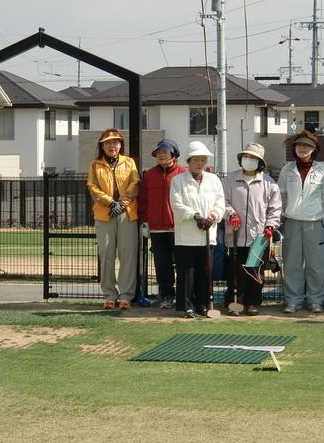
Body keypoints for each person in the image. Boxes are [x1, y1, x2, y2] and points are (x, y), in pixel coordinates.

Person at [222, 143, 282, 315]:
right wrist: (231, 213)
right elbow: (222, 201)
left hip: (259, 236)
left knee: (255, 272)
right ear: (241, 158)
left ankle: (252, 303)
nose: (249, 160)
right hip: (235, 235)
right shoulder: (229, 180)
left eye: (254, 158)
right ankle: (235, 302)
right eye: (247, 157)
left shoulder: (269, 183)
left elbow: (275, 208)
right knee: (236, 272)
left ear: (260, 162)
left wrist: (270, 225)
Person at [277, 130, 324, 313]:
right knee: (292, 263)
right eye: (299, 145)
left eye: (307, 145)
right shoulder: (287, 169)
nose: (303, 148)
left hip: (314, 222)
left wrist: (313, 210)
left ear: (314, 149)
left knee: (316, 263)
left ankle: (316, 300)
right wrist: (286, 213)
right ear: (294, 148)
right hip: (291, 221)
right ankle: (293, 300)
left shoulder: (323, 170)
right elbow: (282, 194)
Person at [169, 141, 225, 318]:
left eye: (203, 160)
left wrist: (212, 217)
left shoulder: (214, 180)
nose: (200, 163)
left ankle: (202, 305)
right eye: (196, 160)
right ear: (189, 160)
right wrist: (196, 216)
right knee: (186, 273)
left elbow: (220, 203)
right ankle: (186, 306)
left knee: (205, 272)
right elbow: (177, 205)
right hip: (186, 236)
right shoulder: (178, 181)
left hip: (208, 234)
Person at [86, 129, 140, 310]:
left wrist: (122, 204)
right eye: (108, 142)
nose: (112, 146)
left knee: (128, 255)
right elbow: (92, 187)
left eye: (115, 142)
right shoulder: (95, 165)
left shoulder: (129, 162)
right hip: (104, 214)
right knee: (107, 255)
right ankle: (109, 295)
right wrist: (111, 203)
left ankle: (126, 295)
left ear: (120, 145)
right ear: (102, 145)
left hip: (127, 213)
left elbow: (135, 183)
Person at [138, 138, 186, 309]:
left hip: (179, 227)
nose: (161, 156)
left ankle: (184, 295)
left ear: (174, 154)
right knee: (162, 264)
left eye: (165, 152)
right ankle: (166, 294)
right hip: (157, 228)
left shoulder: (183, 173)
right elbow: (143, 201)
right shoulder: (149, 175)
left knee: (182, 264)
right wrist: (144, 221)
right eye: (158, 153)